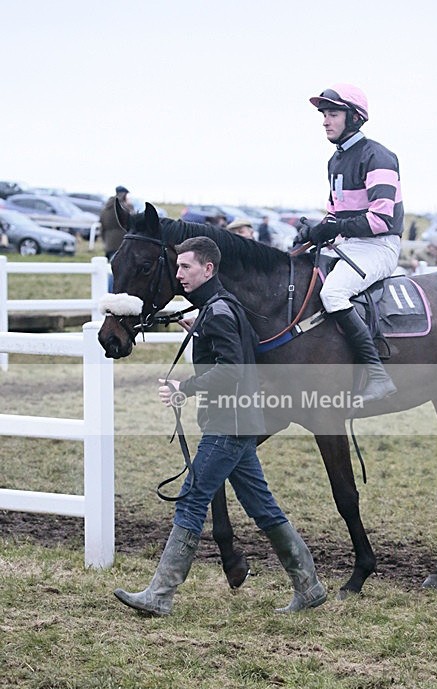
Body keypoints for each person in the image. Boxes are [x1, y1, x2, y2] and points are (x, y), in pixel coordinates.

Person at [114, 236, 327, 617]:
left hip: (227, 424)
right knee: (263, 508)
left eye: (186, 267)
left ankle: (160, 594)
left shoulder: (220, 312)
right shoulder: (221, 307)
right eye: (177, 267)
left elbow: (230, 370)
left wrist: (186, 388)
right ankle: (308, 586)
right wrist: (198, 328)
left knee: (192, 499)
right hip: (238, 421)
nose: (178, 274)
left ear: (208, 269)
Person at [298, 83, 403, 403]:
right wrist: (312, 232)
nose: (326, 121)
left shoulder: (378, 156)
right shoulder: (335, 161)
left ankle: (377, 375)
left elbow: (381, 220)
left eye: (333, 114)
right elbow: (334, 214)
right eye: (324, 115)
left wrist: (333, 229)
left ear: (355, 118)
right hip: (349, 245)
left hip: (378, 246)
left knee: (333, 292)